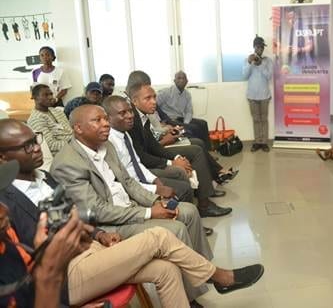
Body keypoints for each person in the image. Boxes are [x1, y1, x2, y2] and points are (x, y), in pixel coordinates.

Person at [0, 127, 264, 307]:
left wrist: (100, 235)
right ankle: (219, 277)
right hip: (62, 275)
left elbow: (71, 217)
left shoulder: (43, 178)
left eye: (36, 141)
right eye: (26, 146)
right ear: (3, 158)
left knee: (166, 269)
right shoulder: (5, 201)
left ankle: (211, 280)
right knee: (159, 236)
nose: (37, 149)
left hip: (89, 250)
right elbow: (22, 261)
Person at [49, 106, 214, 269]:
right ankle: (195, 284)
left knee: (189, 211)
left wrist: (155, 201)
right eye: (97, 120)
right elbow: (97, 211)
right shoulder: (67, 163)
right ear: (78, 128)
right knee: (176, 228)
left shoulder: (106, 146)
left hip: (129, 206)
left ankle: (203, 270)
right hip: (107, 223)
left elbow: (128, 182)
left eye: (106, 118)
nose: (106, 124)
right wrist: (149, 213)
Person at [128, 83, 232, 218]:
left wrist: (176, 158)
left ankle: (206, 197)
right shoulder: (132, 121)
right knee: (196, 151)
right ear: (134, 101)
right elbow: (142, 156)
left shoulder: (143, 117)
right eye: (148, 98)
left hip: (153, 155)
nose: (154, 102)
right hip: (144, 165)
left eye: (154, 97)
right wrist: (171, 163)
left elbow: (154, 146)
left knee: (196, 147)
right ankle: (204, 205)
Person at [104, 95, 194, 203]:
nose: (130, 116)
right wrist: (156, 188)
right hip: (133, 188)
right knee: (184, 189)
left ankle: (177, 211)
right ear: (108, 118)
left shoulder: (125, 133)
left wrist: (154, 179)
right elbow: (125, 181)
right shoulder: (109, 142)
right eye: (123, 113)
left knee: (181, 180)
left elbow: (137, 163)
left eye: (130, 111)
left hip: (141, 177)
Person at [157, 71, 212, 150]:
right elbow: (154, 106)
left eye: (184, 78)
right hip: (169, 120)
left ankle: (208, 150)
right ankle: (199, 149)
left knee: (203, 123)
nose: (181, 80)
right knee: (194, 128)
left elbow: (189, 112)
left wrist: (185, 123)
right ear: (174, 80)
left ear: (187, 81)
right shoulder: (165, 92)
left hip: (180, 119)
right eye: (179, 78)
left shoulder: (187, 94)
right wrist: (160, 121)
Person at [243, 36, 273, 152]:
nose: (260, 49)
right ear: (254, 47)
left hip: (264, 96)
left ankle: (264, 142)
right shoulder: (248, 59)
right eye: (258, 47)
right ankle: (257, 142)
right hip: (252, 96)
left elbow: (269, 76)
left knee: (264, 119)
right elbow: (245, 76)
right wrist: (250, 63)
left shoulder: (268, 61)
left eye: (262, 47)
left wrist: (260, 65)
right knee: (255, 119)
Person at [27, 84, 73, 158]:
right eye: (46, 95)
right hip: (63, 154)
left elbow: (71, 131)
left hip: (77, 146)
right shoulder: (36, 119)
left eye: (51, 94)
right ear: (35, 97)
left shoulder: (58, 111)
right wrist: (78, 143)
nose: (51, 97)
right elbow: (51, 145)